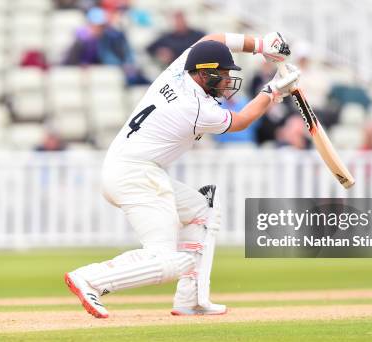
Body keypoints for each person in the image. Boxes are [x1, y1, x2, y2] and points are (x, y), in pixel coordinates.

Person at [64, 32, 300, 318]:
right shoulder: (195, 107)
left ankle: (192, 299)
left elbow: (213, 39)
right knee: (165, 260)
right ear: (203, 74)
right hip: (137, 175)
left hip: (134, 168)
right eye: (223, 74)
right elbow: (240, 121)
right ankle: (91, 278)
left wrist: (261, 45)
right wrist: (272, 92)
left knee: (203, 211)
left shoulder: (179, 69)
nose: (228, 81)